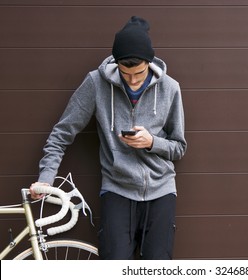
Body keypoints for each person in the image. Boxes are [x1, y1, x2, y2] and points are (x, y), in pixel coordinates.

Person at [30, 16, 187, 260]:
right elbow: (61, 134)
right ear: (116, 64)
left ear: (149, 63)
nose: (133, 80)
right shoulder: (96, 84)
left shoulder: (170, 88)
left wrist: (151, 142)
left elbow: (179, 147)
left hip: (161, 192)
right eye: (126, 73)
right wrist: (46, 177)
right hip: (117, 190)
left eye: (139, 73)